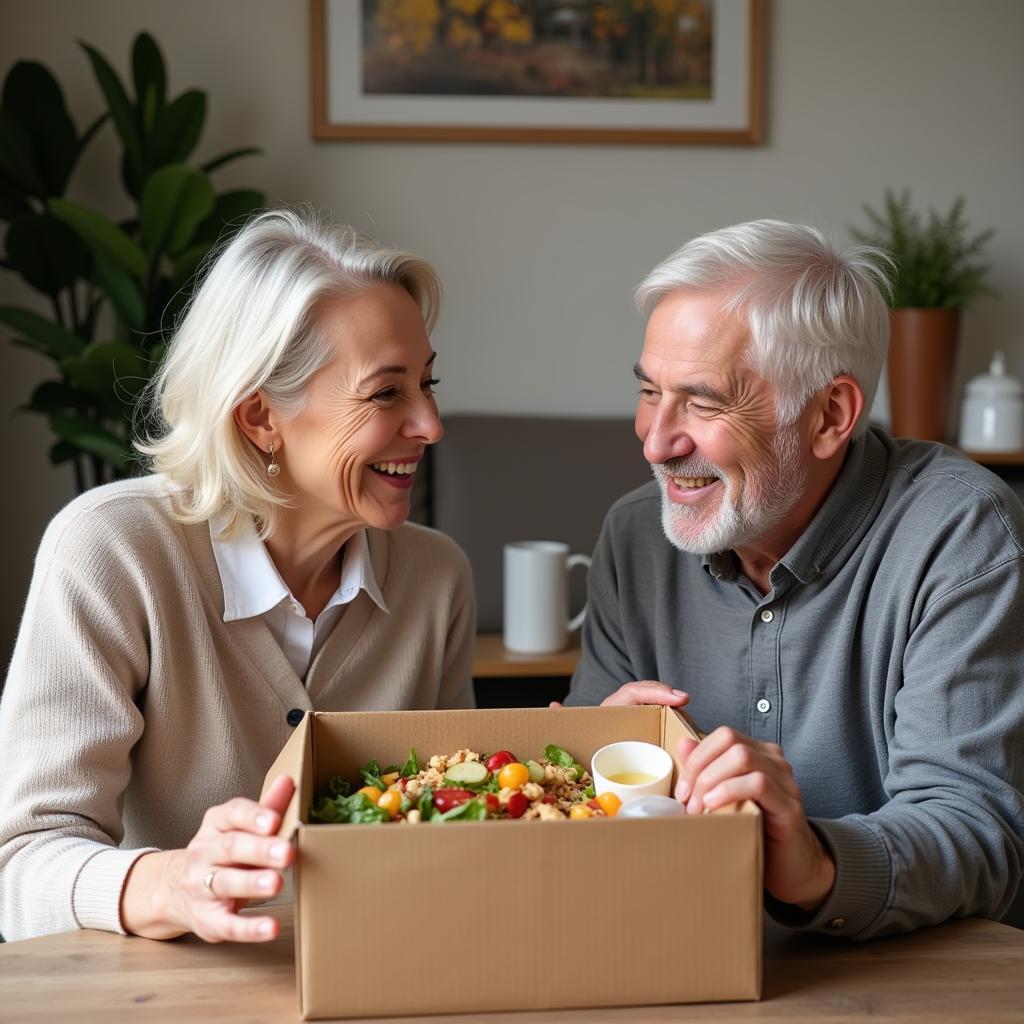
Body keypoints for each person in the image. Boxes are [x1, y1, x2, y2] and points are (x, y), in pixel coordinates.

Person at [0, 209, 475, 943]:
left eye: (427, 382)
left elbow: (456, 837)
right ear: (260, 418)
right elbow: (20, 868)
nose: (431, 424)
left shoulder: (436, 577)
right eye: (386, 393)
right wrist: (167, 884)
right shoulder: (111, 553)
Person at [564, 220, 1024, 939]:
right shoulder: (633, 536)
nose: (655, 440)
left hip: (901, 980)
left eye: (705, 401)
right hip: (670, 949)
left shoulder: (962, 534)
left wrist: (815, 861)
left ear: (829, 415)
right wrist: (585, 761)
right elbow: (583, 817)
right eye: (650, 391)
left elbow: (980, 836)